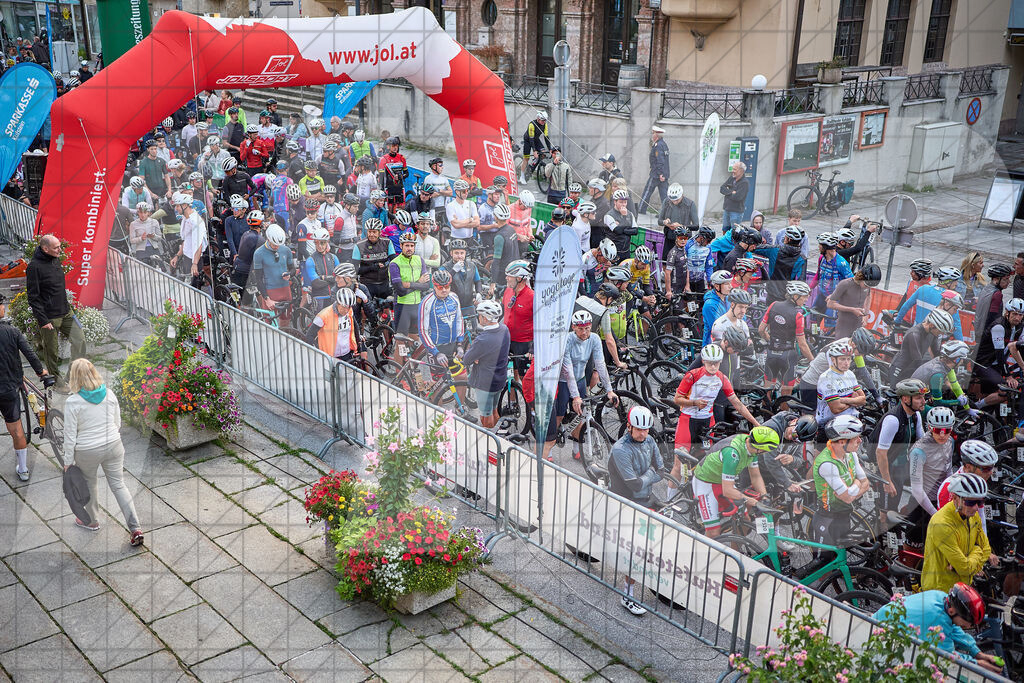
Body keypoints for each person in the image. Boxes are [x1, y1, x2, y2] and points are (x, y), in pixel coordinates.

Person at [61, 358, 143, 545]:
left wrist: (67, 462)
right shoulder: (109, 393)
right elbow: (117, 423)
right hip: (114, 445)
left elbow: (70, 437)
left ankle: (91, 522)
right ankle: (135, 528)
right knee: (119, 485)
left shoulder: (73, 402)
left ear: (74, 377)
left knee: (90, 485)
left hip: (87, 451)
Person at [670, 343, 761, 491]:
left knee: (707, 463)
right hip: (688, 420)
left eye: (717, 363)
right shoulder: (692, 376)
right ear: (704, 361)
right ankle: (668, 502)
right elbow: (677, 399)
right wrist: (694, 402)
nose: (713, 367)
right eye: (710, 363)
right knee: (678, 465)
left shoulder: (722, 378)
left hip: (707, 422)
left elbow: (738, 404)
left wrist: (756, 424)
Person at [872, 585, 1003, 674]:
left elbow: (954, 629)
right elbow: (945, 656)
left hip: (884, 624)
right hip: (878, 638)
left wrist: (978, 653)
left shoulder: (943, 598)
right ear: (952, 611)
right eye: (969, 623)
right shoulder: (935, 618)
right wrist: (977, 663)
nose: (970, 627)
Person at [608, 406, 663, 617]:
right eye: (639, 429)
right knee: (636, 552)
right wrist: (650, 474)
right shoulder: (621, 449)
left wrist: (647, 476)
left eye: (646, 429)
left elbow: (662, 470)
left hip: (646, 498)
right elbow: (634, 485)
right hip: (627, 502)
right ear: (629, 426)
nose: (643, 434)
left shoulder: (649, 440)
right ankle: (627, 596)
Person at [543, 310, 618, 461]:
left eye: (587, 328)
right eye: (581, 329)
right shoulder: (567, 340)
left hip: (581, 379)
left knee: (580, 415)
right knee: (559, 416)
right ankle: (548, 448)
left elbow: (600, 365)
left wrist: (609, 390)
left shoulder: (595, 339)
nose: (584, 332)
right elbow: (568, 370)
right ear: (573, 327)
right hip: (563, 380)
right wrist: (575, 396)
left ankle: (576, 449)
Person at [690, 425, 777, 538]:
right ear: (760, 448)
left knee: (745, 521)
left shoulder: (752, 447)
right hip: (705, 482)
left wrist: (764, 497)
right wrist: (755, 502)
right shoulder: (733, 454)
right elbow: (728, 491)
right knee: (713, 532)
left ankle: (735, 553)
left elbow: (755, 476)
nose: (765, 452)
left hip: (723, 481)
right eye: (766, 450)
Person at [0, 293, 51, 480]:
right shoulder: (12, 332)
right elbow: (29, 353)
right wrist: (40, 372)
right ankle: (22, 468)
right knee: (16, 430)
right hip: (9, 388)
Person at [26, 234, 86, 387]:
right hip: (49, 318)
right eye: (56, 247)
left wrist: (70, 308)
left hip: (66, 312)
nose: (60, 249)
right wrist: (43, 320)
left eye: (59, 246)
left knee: (80, 341)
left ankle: (73, 376)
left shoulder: (55, 259)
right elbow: (33, 297)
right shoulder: (34, 267)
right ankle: (57, 382)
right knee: (52, 352)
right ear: (45, 249)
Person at [922, 472, 994, 593]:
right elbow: (965, 568)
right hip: (941, 590)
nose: (976, 508)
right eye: (971, 502)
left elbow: (986, 548)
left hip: (963, 586)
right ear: (955, 498)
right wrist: (977, 550)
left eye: (980, 502)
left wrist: (972, 562)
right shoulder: (942, 524)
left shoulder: (972, 515)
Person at [810, 415, 870, 559]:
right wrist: (856, 484)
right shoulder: (827, 464)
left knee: (840, 558)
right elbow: (848, 498)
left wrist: (853, 489)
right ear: (842, 441)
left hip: (845, 516)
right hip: (828, 519)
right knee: (825, 565)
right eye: (856, 438)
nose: (860, 441)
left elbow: (866, 483)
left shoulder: (851, 454)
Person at [904, 406, 956, 546]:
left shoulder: (950, 442)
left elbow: (948, 471)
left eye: (947, 431)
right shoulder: (919, 451)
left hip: (940, 502)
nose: (942, 435)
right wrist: (935, 513)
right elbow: (916, 489)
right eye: (937, 430)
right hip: (921, 504)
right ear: (929, 427)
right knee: (913, 547)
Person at [759, 281, 815, 395]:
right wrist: (813, 361)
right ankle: (784, 413)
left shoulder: (773, 305)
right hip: (788, 356)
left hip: (771, 353)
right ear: (795, 296)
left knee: (767, 391)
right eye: (804, 297)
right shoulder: (798, 316)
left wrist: (771, 340)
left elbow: (761, 330)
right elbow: (802, 344)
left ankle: (766, 412)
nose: (806, 300)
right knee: (786, 395)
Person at [460, 300, 510, 428]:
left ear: (485, 318)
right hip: (499, 379)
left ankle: (490, 440)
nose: (478, 317)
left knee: (485, 416)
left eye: (480, 315)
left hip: (485, 384)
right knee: (494, 410)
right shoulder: (504, 329)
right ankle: (496, 433)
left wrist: (477, 357)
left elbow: (466, 359)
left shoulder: (483, 339)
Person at [971, 296, 1024, 412]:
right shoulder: (999, 326)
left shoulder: (1020, 327)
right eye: (1014, 314)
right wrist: (1009, 376)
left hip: (995, 364)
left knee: (994, 392)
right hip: (983, 363)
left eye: (1020, 315)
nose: (1017, 317)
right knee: (1005, 391)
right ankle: (974, 407)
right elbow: (999, 354)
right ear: (1007, 313)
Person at [937, 440, 999, 539]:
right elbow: (948, 532)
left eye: (992, 468)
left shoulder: (979, 480)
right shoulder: (949, 489)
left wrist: (984, 546)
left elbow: (981, 517)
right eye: (986, 468)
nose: (991, 472)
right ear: (968, 467)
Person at [895, 266, 965, 340]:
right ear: (948, 282)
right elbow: (956, 325)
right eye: (955, 281)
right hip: (932, 338)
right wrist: (961, 343)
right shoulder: (948, 299)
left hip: (915, 332)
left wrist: (897, 322)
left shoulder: (923, 288)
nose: (956, 283)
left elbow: (906, 306)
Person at [889, 308, 954, 383]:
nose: (942, 334)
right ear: (932, 325)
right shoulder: (914, 334)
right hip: (900, 369)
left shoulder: (933, 333)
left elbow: (937, 354)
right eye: (941, 330)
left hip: (912, 369)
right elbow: (918, 360)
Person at [912, 340, 974, 411]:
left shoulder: (945, 364)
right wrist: (958, 402)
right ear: (956, 359)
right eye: (962, 359)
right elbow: (937, 403)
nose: (962, 362)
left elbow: (955, 386)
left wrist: (968, 409)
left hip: (923, 394)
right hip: (915, 404)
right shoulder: (938, 374)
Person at [389, 232, 430, 340]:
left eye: (412, 245)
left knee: (415, 340)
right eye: (407, 245)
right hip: (402, 306)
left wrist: (410, 284)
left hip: (417, 305)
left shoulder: (420, 260)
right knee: (401, 342)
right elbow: (401, 291)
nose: (409, 248)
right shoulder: (394, 264)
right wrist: (419, 283)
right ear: (401, 246)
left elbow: (426, 286)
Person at [810, 232, 854, 330]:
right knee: (813, 320)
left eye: (820, 245)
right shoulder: (822, 258)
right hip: (821, 296)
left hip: (834, 300)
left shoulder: (841, 263)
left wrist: (835, 295)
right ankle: (814, 341)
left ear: (826, 247)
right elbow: (818, 274)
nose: (818, 247)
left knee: (829, 327)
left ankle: (828, 343)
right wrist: (810, 288)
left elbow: (852, 284)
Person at [307, 288, 362, 363]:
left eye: (348, 307)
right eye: (343, 307)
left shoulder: (349, 311)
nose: (346, 310)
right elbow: (309, 335)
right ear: (338, 303)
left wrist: (358, 343)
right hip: (330, 356)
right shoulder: (324, 315)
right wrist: (317, 351)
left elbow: (355, 327)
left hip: (347, 352)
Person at [827, 263, 880, 339]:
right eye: (866, 285)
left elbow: (868, 296)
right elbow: (830, 304)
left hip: (858, 325)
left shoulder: (867, 286)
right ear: (860, 277)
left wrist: (866, 315)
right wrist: (852, 310)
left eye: (869, 286)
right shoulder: (845, 284)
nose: (867, 287)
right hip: (844, 325)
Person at [251, 224, 295, 310]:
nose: (277, 247)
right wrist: (267, 299)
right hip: (269, 290)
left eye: (279, 245)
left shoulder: (286, 250)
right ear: (268, 239)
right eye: (274, 244)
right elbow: (258, 279)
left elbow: (292, 268)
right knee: (269, 322)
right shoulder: (259, 253)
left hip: (285, 289)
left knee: (286, 321)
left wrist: (289, 274)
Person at [502, 260, 534, 380]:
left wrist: (533, 347)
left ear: (520, 278)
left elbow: (541, 325)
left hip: (523, 344)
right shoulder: (508, 291)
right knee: (509, 376)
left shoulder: (532, 297)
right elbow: (502, 311)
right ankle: (513, 398)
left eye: (510, 276)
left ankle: (527, 399)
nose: (506, 278)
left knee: (523, 377)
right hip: (508, 340)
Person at [352, 218, 395, 300]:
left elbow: (394, 260)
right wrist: (373, 267)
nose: (371, 234)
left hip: (384, 283)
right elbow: (355, 270)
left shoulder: (387, 242)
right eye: (369, 232)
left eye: (374, 232)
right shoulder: (359, 246)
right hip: (367, 284)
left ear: (379, 232)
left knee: (387, 308)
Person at [639, 126, 669, 214]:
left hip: (656, 174)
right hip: (663, 175)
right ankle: (665, 214)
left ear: (656, 135)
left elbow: (660, 161)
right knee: (664, 196)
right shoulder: (663, 144)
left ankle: (641, 209)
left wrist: (660, 174)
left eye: (653, 133)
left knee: (647, 191)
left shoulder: (658, 145)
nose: (652, 135)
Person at [701, 270, 733, 346]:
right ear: (717, 286)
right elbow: (718, 328)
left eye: (730, 283)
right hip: (713, 345)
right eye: (726, 284)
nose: (730, 287)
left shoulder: (728, 299)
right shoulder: (710, 305)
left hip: (728, 341)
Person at [520, 110, 551, 183]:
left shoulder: (545, 125)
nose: (544, 122)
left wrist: (549, 149)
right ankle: (522, 176)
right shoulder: (532, 124)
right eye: (542, 120)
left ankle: (532, 165)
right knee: (526, 158)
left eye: (545, 120)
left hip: (536, 139)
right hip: (528, 140)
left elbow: (546, 137)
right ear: (538, 119)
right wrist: (534, 151)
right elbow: (531, 139)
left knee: (542, 153)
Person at [719, 161, 748, 232]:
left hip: (736, 212)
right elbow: (722, 188)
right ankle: (725, 243)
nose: (733, 171)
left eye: (735, 169)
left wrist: (727, 192)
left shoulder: (744, 183)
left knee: (734, 233)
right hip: (727, 209)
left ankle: (733, 244)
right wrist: (732, 192)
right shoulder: (731, 178)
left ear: (741, 171)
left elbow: (738, 197)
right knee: (725, 230)